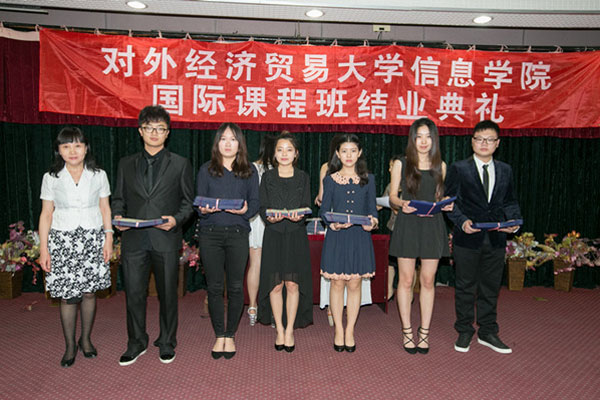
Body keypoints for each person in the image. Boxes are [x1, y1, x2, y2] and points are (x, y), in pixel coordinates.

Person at [112, 105, 194, 366]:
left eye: (160, 128)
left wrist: (176, 220)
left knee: (168, 294)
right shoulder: (125, 164)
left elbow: (188, 203)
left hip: (165, 239)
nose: (154, 133)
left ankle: (167, 341)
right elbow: (118, 198)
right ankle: (136, 342)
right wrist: (117, 218)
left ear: (168, 133)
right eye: (149, 128)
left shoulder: (180, 163)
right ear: (140, 131)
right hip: (134, 240)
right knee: (133, 293)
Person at [445, 120, 522, 354]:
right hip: (467, 238)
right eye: (479, 139)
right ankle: (464, 329)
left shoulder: (505, 170)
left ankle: (488, 331)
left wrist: (514, 222)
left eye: (489, 140)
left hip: (496, 239)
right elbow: (449, 202)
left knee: (491, 287)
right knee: (465, 286)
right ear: (472, 142)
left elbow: (510, 201)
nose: (484, 144)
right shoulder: (459, 168)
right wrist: (462, 222)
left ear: (497, 143)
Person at [38, 127, 113, 367]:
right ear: (58, 150)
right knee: (68, 296)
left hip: (92, 238)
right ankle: (70, 345)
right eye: (66, 146)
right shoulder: (51, 177)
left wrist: (109, 238)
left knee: (89, 292)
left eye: (78, 145)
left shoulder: (99, 175)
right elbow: (46, 214)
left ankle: (86, 340)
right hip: (63, 241)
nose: (73, 151)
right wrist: (43, 249)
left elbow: (105, 208)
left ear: (86, 148)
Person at [388, 118, 453, 354]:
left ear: (434, 140)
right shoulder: (401, 163)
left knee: (427, 280)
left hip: (432, 225)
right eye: (419, 136)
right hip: (408, 224)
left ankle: (424, 331)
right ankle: (407, 330)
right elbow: (392, 196)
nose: (424, 141)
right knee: (406, 280)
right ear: (412, 139)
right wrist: (401, 204)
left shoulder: (440, 165)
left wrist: (445, 204)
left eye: (428, 137)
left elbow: (439, 197)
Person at [196, 123, 259, 360]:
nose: (228, 143)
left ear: (240, 144)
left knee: (234, 287)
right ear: (217, 143)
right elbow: (199, 203)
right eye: (223, 139)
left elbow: (255, 203)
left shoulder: (249, 170)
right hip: (210, 234)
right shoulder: (206, 169)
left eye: (233, 139)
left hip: (237, 234)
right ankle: (219, 334)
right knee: (214, 287)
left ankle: (230, 334)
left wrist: (244, 211)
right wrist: (203, 209)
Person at [320, 133, 378, 353]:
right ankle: (338, 330)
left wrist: (372, 222)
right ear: (337, 153)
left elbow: (372, 210)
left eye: (353, 151)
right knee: (337, 283)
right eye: (344, 151)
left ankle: (350, 330)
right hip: (337, 236)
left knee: (355, 284)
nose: (349, 155)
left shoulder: (368, 179)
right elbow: (324, 210)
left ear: (359, 153)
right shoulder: (330, 179)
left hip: (359, 237)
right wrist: (332, 224)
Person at [257, 132, 313, 352]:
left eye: (289, 150)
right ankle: (279, 329)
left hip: (296, 235)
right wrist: (269, 217)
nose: (284, 154)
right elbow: (262, 206)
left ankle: (290, 330)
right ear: (274, 153)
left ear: (296, 154)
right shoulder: (267, 177)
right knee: (276, 284)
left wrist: (301, 216)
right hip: (274, 234)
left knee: (292, 284)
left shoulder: (303, 177)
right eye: (280, 150)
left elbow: (307, 205)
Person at [247, 134, 276, 326]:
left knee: (255, 264)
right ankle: (274, 310)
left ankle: (252, 306)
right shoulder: (278, 170)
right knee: (274, 266)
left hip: (254, 220)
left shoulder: (250, 167)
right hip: (272, 218)